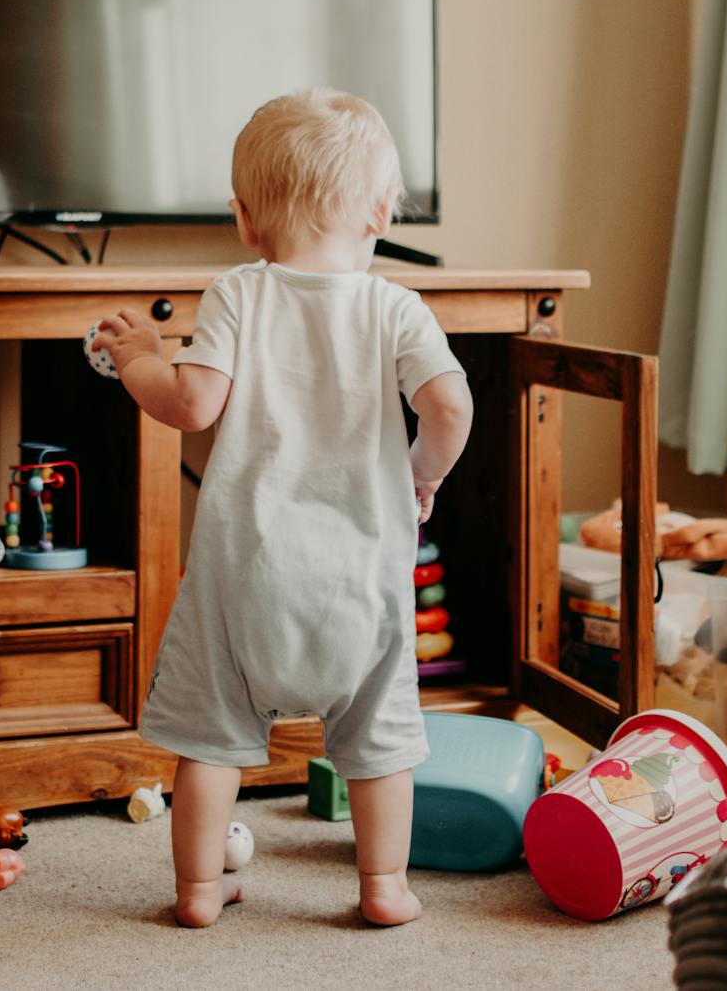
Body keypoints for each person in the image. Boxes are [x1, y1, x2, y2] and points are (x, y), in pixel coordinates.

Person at [92, 88, 473, 928]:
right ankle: (383, 887)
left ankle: (198, 891)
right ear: (380, 210)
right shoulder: (396, 306)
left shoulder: (239, 292)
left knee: (212, 741)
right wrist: (422, 473)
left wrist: (140, 357)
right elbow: (450, 408)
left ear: (245, 219)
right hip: (364, 580)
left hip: (244, 579)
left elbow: (190, 406)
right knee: (377, 748)